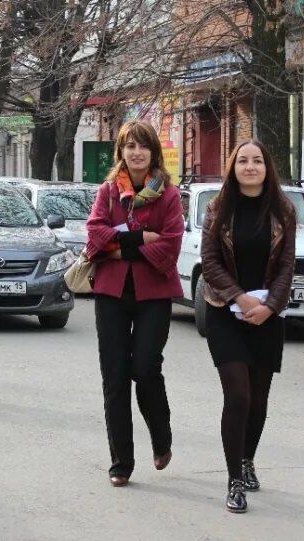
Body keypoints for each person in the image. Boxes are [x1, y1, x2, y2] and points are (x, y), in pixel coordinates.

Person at [85, 120, 184, 487]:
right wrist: (141, 237)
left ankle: (161, 436)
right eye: (129, 146)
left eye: (143, 146)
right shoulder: (109, 191)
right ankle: (121, 461)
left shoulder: (168, 195)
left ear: (153, 152)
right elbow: (94, 234)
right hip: (111, 293)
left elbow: (171, 245)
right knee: (114, 376)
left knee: (144, 368)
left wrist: (119, 244)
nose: (136, 152)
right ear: (121, 152)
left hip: (154, 295)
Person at [200, 140, 296, 514]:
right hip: (225, 311)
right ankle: (233, 480)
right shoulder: (218, 208)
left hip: (268, 318)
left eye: (257, 160)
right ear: (233, 167)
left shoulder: (283, 211)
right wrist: (240, 298)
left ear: (267, 168)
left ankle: (247, 460)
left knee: (258, 400)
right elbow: (209, 262)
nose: (250, 166)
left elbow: (287, 265)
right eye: (243, 160)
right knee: (238, 395)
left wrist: (270, 306)